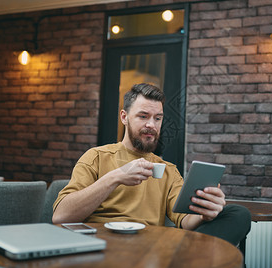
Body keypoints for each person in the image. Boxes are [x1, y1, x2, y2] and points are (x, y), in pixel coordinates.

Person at [53, 83, 251, 245]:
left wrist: (205, 213)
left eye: (158, 118)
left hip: (151, 247)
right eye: (143, 116)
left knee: (238, 214)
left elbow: (185, 221)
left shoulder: (168, 171)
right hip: (103, 245)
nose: (151, 125)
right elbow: (61, 216)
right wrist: (116, 177)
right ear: (124, 117)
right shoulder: (96, 157)